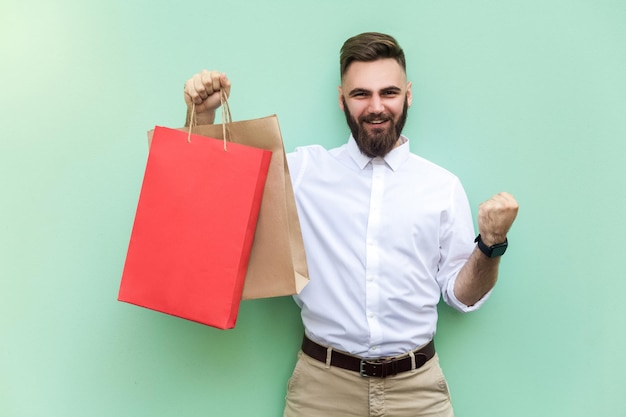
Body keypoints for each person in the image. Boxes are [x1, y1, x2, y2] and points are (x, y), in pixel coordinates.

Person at [183, 32, 518, 417]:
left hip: (417, 392)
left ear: (408, 95)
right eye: (361, 94)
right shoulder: (302, 172)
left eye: (388, 92)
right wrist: (202, 117)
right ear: (341, 99)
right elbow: (214, 200)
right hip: (322, 390)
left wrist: (491, 244)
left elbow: (463, 297)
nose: (376, 107)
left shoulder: (442, 187)